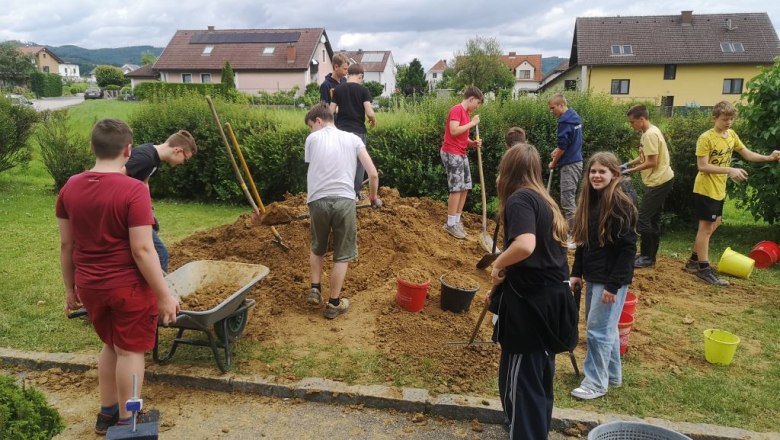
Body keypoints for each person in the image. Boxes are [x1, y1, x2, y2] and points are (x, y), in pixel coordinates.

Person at [56, 119, 179, 434]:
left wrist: (70, 289)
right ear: (127, 150)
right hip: (128, 288)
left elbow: (67, 244)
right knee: (130, 350)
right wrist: (165, 295)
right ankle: (129, 420)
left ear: (92, 147)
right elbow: (142, 250)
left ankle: (107, 413)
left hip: (91, 285)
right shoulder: (134, 190)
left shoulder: (70, 186)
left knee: (111, 344)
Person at [489, 143, 576, 439]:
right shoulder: (545, 200)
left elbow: (525, 245)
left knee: (521, 385)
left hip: (531, 307)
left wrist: (498, 265)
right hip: (552, 301)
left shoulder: (520, 200)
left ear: (507, 171)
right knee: (538, 381)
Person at [685, 101, 780, 286]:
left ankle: (694, 260)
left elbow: (747, 154)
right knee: (705, 228)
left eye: (731, 119)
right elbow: (702, 166)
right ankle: (703, 270)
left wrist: (770, 157)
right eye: (724, 119)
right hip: (705, 188)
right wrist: (730, 170)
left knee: (715, 223)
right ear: (714, 118)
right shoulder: (706, 138)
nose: (728, 122)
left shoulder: (731, 135)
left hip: (719, 188)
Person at [569, 152, 638, 400]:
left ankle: (596, 383)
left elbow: (628, 248)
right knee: (605, 328)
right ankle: (612, 374)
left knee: (597, 330)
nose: (596, 176)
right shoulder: (592, 200)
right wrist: (576, 272)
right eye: (593, 171)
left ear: (614, 174)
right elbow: (584, 241)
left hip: (610, 280)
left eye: (602, 172)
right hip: (595, 275)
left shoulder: (620, 203)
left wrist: (613, 285)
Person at [303, 104, 381, 319]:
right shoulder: (353, 139)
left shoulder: (312, 140)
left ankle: (315, 289)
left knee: (317, 246)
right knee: (342, 254)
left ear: (318, 121)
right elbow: (373, 174)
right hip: (345, 200)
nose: (311, 131)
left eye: (311, 126)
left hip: (317, 200)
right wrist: (373, 198)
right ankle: (334, 304)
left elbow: (316, 166)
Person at [123, 130, 197, 273]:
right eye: (185, 159)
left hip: (132, 209)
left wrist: (148, 209)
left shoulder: (154, 159)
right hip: (124, 211)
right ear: (177, 150)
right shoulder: (145, 157)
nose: (183, 163)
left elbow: (144, 182)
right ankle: (156, 291)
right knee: (160, 253)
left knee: (154, 231)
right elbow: (116, 177)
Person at [624, 105, 674, 268]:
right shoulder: (650, 131)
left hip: (658, 181)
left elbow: (652, 162)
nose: (631, 125)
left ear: (641, 119)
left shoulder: (650, 135)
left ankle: (647, 257)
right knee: (653, 219)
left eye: (632, 122)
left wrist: (630, 171)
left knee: (644, 219)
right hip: (661, 179)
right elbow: (642, 158)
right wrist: (625, 165)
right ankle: (649, 256)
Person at [440, 86, 483, 239]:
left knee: (465, 188)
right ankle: (450, 224)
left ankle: (456, 220)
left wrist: (472, 143)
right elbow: (453, 130)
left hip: (461, 152)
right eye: (477, 103)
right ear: (471, 99)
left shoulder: (466, 113)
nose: (476, 106)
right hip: (451, 153)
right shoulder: (457, 110)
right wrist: (472, 123)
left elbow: (461, 135)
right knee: (457, 189)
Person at [330, 63, 377, 200]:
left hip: (340, 132)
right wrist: (372, 120)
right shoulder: (363, 91)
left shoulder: (338, 90)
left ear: (348, 74)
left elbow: (331, 111)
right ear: (361, 76)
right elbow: (369, 111)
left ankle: (339, 191)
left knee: (341, 161)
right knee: (359, 162)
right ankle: (354, 193)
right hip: (358, 131)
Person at [547, 93, 583, 249]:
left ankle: (576, 237)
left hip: (570, 164)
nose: (551, 111)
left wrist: (553, 162)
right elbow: (568, 142)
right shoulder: (574, 117)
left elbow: (563, 146)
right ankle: (573, 233)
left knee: (567, 201)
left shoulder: (564, 121)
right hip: (576, 161)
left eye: (553, 108)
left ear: (561, 105)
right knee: (568, 200)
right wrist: (558, 150)